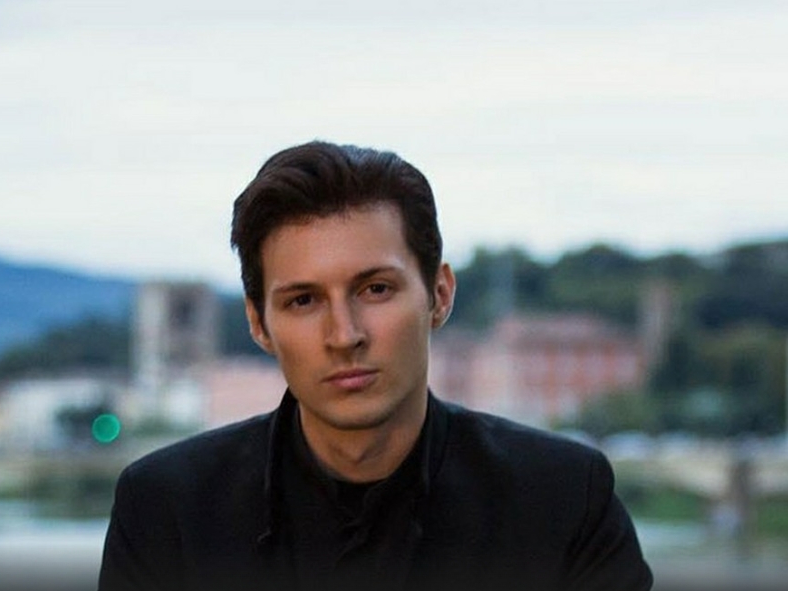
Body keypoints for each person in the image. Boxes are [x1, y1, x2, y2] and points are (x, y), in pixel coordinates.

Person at [98, 141, 653, 591]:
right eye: (303, 300)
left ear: (439, 294)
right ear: (259, 324)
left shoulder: (563, 498)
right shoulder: (166, 509)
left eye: (376, 289)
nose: (345, 335)